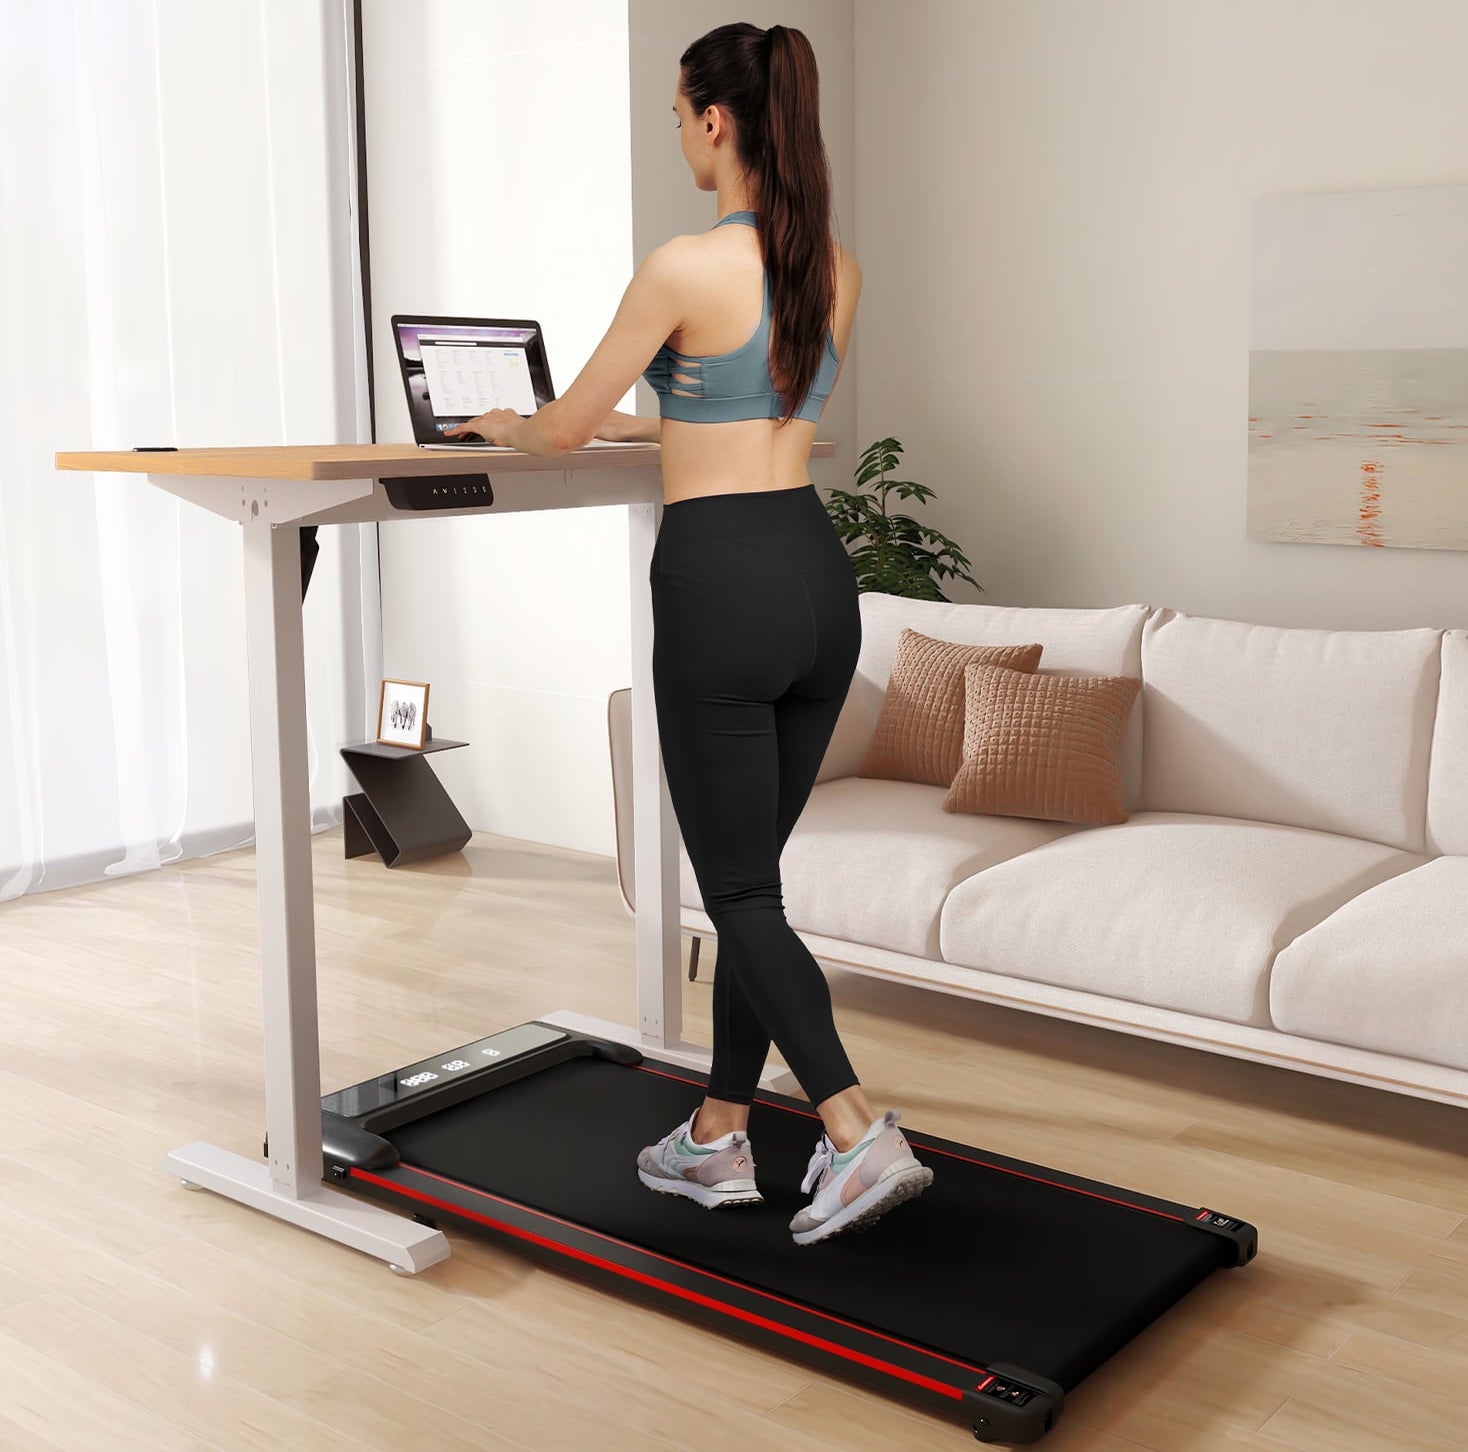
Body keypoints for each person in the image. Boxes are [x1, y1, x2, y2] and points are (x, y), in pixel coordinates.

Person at [445, 21, 932, 1246]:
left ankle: (854, 1128)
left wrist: (504, 419)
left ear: (716, 120)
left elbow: (558, 431)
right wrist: (626, 427)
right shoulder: (834, 267)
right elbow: (729, 409)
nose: (676, 130)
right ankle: (718, 1136)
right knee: (749, 889)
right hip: (818, 584)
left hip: (720, 585)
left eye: (676, 112)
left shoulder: (680, 266)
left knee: (734, 893)